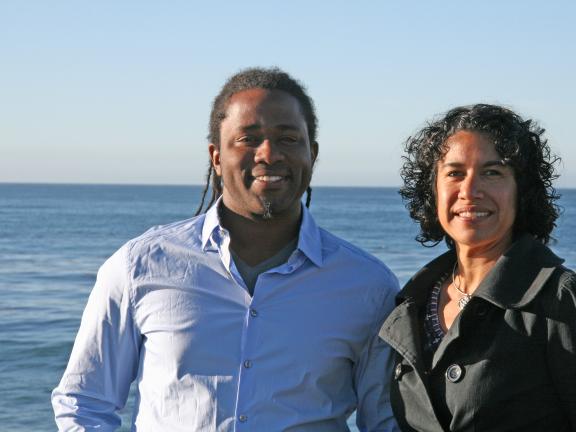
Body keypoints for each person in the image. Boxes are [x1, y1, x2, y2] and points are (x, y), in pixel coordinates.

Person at [52, 67, 400, 431]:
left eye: (288, 139)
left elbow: (385, 421)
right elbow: (84, 403)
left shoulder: (369, 287)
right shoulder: (139, 267)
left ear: (312, 154)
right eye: (248, 139)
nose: (269, 154)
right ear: (216, 156)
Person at [379, 104, 576, 431]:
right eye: (455, 173)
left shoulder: (560, 301)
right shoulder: (410, 306)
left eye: (492, 172)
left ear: (521, 191)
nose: (470, 192)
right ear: (433, 190)